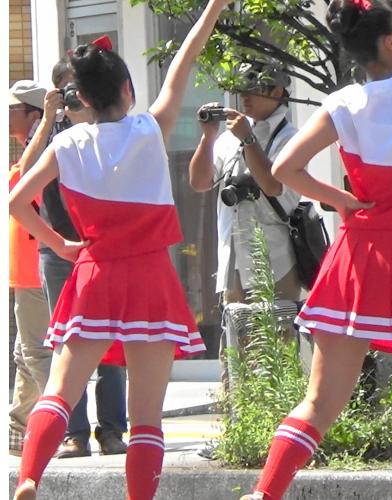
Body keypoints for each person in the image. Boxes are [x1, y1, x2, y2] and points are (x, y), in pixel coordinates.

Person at [239, 1, 392, 499]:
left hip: (360, 254)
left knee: (319, 402)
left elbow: (284, 169)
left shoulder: (343, 102)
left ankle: (264, 494)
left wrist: (343, 200)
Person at [9, 1, 233, 499]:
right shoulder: (150, 128)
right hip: (150, 277)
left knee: (60, 391)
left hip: (93, 272)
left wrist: (59, 243)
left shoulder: (66, 145)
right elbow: (184, 61)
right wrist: (214, 7)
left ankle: (29, 478)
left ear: (83, 98)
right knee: (146, 416)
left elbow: (17, 201)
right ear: (127, 89)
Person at [18, 57, 128, 458]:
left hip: (104, 247)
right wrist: (49, 118)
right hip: (57, 248)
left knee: (110, 338)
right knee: (66, 340)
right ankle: (75, 433)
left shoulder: (109, 125)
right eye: (69, 88)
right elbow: (24, 174)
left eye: (81, 86)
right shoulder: (49, 129)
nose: (77, 94)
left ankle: (112, 430)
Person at [189, 63, 303, 387]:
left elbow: (272, 186)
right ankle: (237, 410)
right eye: (240, 90)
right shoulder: (229, 138)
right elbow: (199, 182)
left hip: (276, 258)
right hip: (234, 257)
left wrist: (249, 139)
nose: (244, 97)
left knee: (277, 349)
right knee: (236, 352)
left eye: (253, 89)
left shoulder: (291, 137)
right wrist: (208, 137)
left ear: (277, 92)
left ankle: (278, 411)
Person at [8, 81, 51, 457]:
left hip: (36, 268)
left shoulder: (41, 151)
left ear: (33, 114)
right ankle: (19, 428)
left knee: (35, 352)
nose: (6, 116)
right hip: (26, 269)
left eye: (12, 109)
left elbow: (24, 182)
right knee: (25, 353)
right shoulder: (31, 149)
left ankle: (60, 422)